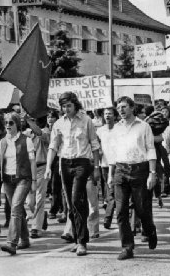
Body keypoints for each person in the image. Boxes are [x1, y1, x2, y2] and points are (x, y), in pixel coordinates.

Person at [44, 92, 101, 257]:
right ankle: (77, 239)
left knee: (77, 200)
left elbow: (95, 144)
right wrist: (48, 167)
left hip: (82, 163)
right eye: (63, 106)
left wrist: (96, 167)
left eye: (69, 105)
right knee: (70, 204)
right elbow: (53, 147)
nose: (66, 109)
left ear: (75, 105)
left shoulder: (86, 121)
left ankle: (82, 242)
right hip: (64, 163)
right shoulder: (59, 124)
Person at [108, 96, 158, 260]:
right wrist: (110, 174)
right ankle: (127, 247)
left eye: (124, 107)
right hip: (121, 170)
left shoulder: (143, 127)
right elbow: (113, 154)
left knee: (142, 209)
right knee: (121, 211)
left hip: (140, 169)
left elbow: (150, 149)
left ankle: (150, 230)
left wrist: (152, 173)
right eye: (119, 107)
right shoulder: (116, 128)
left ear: (131, 108)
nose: (121, 110)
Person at [0, 112, 37, 256]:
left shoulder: (26, 140)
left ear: (17, 125)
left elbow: (33, 162)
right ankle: (25, 239)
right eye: (6, 122)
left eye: (11, 123)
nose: (7, 125)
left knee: (15, 208)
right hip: (8, 180)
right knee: (18, 210)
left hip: (24, 178)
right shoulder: (2, 142)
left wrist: (34, 182)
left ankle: (12, 243)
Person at [25, 116, 50, 239]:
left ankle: (36, 227)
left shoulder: (46, 132)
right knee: (30, 202)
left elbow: (39, 133)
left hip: (42, 168)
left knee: (40, 198)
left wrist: (28, 121)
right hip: (29, 170)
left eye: (33, 120)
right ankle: (41, 216)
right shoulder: (27, 134)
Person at [96, 107, 117, 229]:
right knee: (108, 192)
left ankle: (108, 218)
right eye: (106, 114)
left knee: (112, 192)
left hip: (118, 164)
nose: (108, 116)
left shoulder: (119, 129)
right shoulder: (100, 131)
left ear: (115, 115)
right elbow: (96, 147)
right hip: (104, 164)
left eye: (110, 114)